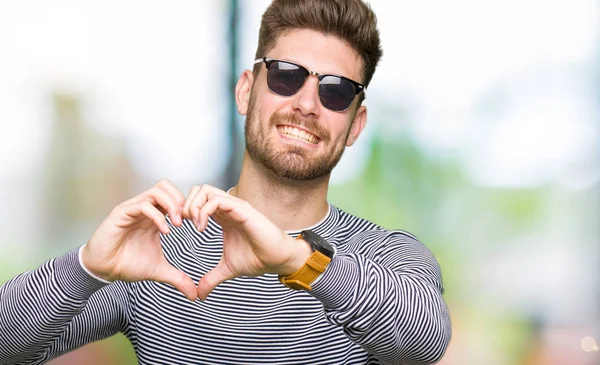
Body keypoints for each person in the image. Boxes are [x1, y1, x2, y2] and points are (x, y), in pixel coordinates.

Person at [0, 0, 451, 364]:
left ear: (355, 124)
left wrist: (297, 260)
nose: (307, 104)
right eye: (286, 75)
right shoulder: (161, 251)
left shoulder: (386, 255)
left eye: (335, 90)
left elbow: (426, 338)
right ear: (245, 91)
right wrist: (85, 268)